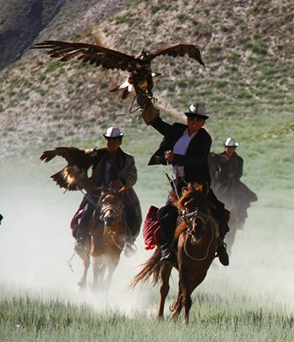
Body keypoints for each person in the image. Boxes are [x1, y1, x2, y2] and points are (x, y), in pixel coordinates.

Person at [141, 101, 230, 266]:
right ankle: (167, 249)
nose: (194, 122)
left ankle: (220, 246)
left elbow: (197, 159)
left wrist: (175, 158)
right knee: (166, 212)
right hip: (178, 185)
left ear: (203, 122)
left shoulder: (204, 138)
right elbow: (162, 127)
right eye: (191, 118)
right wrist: (150, 115)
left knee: (218, 210)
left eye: (198, 119)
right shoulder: (178, 131)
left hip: (198, 186)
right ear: (187, 119)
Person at [71, 126, 142, 256]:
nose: (111, 143)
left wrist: (121, 182)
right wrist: (80, 175)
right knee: (86, 212)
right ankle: (81, 240)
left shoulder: (128, 159)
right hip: (97, 192)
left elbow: (133, 177)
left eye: (115, 140)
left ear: (120, 142)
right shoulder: (97, 156)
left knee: (132, 212)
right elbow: (84, 166)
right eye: (109, 140)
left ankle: (129, 241)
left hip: (119, 193)